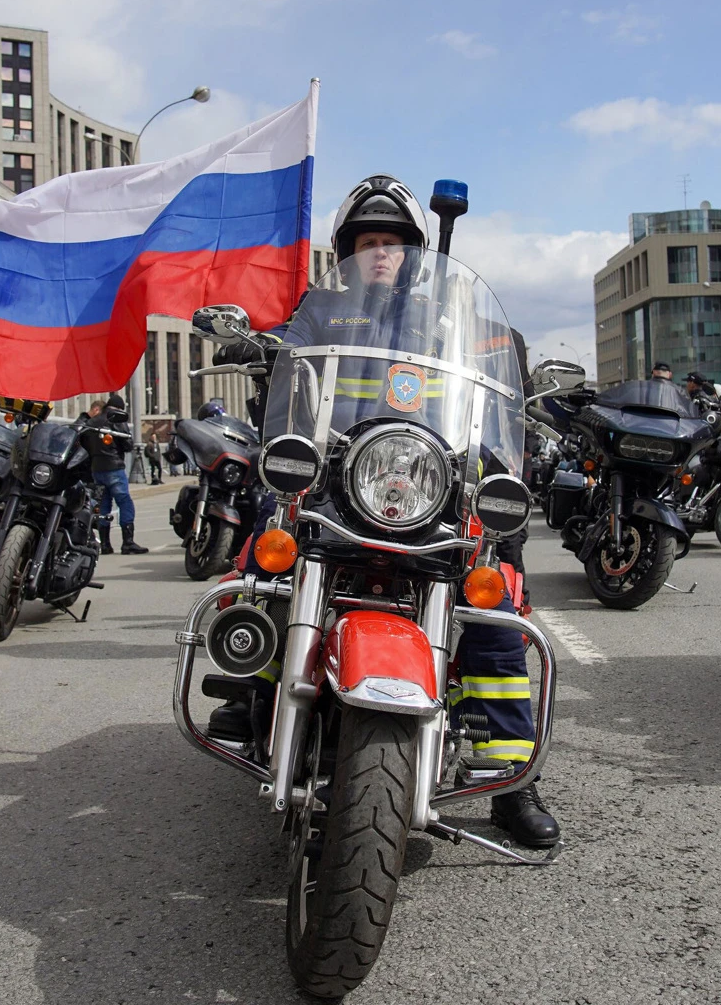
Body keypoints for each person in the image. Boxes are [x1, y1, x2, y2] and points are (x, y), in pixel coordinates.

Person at [210, 173, 559, 848]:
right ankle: (252, 688)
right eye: (367, 241)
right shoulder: (316, 313)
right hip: (338, 477)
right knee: (261, 554)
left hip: (425, 482)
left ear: (413, 252)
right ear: (347, 250)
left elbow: (486, 388)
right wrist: (253, 346)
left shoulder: (451, 319)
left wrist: (509, 381)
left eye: (393, 243)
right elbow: (284, 378)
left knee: (497, 597)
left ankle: (511, 780)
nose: (379, 253)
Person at [87, 394, 149, 554]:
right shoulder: (117, 419)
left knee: (103, 505)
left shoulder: (93, 421)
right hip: (114, 467)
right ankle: (127, 542)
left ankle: (105, 544)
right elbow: (127, 444)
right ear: (120, 408)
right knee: (124, 501)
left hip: (97, 468)